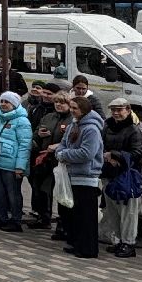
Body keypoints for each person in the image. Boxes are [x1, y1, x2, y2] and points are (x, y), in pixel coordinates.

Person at [55, 95, 105, 259]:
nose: (72, 111)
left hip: (86, 176)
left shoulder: (91, 129)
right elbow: (62, 143)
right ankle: (77, 243)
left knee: (86, 216)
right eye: (71, 107)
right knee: (75, 214)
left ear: (84, 110)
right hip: (71, 175)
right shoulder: (73, 125)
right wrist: (61, 152)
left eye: (75, 108)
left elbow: (87, 153)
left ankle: (88, 248)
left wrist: (64, 154)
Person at [100, 97, 142, 258]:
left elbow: (137, 153)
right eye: (113, 109)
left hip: (127, 176)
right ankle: (118, 241)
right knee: (113, 210)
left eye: (120, 109)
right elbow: (100, 145)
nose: (116, 113)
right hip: (108, 173)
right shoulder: (107, 126)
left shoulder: (134, 129)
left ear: (128, 110)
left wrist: (115, 155)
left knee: (128, 212)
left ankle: (128, 243)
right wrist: (106, 157)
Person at [0, 92, 32, 233]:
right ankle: (1, 217)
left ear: (14, 104)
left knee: (13, 193)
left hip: (11, 164)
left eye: (7, 102)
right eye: (2, 101)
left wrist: (20, 166)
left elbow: (25, 145)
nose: (3, 104)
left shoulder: (22, 121)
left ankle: (16, 220)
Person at [27, 91, 74, 232]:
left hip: (60, 162)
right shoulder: (48, 117)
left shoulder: (72, 120)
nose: (59, 105)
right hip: (43, 159)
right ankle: (43, 217)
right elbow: (36, 133)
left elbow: (72, 140)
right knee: (40, 189)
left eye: (62, 102)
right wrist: (39, 135)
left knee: (58, 191)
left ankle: (62, 222)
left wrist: (58, 145)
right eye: (57, 102)